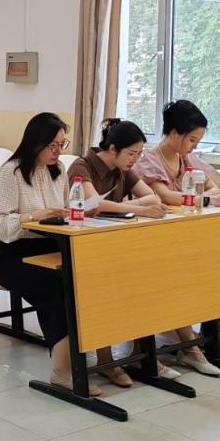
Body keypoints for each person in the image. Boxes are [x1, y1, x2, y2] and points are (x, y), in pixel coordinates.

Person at [133, 99, 220, 360]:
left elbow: (213, 187)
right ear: (174, 133)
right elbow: (165, 197)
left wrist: (202, 198)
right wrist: (207, 200)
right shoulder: (149, 160)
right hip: (163, 238)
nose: (194, 146)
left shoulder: (188, 159)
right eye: (192, 139)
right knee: (211, 266)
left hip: (193, 232)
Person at [0, 113, 101, 394]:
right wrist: (32, 217)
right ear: (35, 142)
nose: (57, 152)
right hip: (12, 254)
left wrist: (78, 212)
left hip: (51, 246)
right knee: (56, 287)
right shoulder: (11, 172)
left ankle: (97, 356)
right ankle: (62, 371)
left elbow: (62, 212)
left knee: (89, 279)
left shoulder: (58, 170)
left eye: (62, 145)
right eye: (52, 145)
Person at [67, 118, 176, 385]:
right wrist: (138, 209)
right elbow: (92, 205)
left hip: (114, 242)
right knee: (103, 288)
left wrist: (130, 206)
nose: (134, 160)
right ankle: (105, 360)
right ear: (113, 149)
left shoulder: (123, 169)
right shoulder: (82, 165)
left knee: (145, 279)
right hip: (82, 245)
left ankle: (141, 351)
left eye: (139, 154)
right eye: (131, 154)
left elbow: (152, 197)